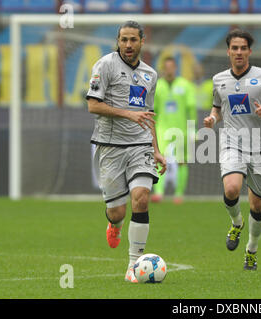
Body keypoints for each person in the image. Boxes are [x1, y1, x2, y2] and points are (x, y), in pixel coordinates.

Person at [86, 21, 166, 283]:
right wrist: (128, 114)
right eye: (124, 40)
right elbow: (93, 106)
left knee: (141, 198)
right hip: (110, 147)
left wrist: (156, 150)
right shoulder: (105, 65)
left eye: (133, 40)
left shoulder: (150, 75)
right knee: (118, 212)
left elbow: (148, 116)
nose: (128, 45)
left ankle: (133, 265)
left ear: (142, 41)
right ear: (118, 41)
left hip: (140, 146)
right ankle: (114, 224)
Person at [203, 29, 261, 270]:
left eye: (243, 48)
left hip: (260, 145)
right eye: (235, 48)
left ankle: (251, 249)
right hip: (232, 141)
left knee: (258, 205)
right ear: (228, 51)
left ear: (249, 51)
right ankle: (236, 222)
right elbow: (217, 109)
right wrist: (212, 119)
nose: (239, 52)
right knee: (231, 189)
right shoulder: (219, 79)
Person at [151, 57, 197, 204]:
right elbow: (154, 110)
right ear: (163, 69)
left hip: (181, 129)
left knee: (182, 161)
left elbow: (191, 108)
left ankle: (179, 194)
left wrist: (192, 128)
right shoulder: (158, 86)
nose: (169, 70)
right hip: (162, 129)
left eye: (171, 67)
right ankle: (159, 193)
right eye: (166, 67)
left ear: (175, 68)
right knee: (159, 159)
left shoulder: (185, 85)